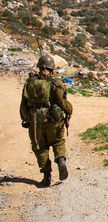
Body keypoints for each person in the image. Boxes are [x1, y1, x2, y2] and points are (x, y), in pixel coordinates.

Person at [20, 54, 73, 187]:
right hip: (52, 120)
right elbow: (62, 102)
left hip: (35, 121)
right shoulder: (54, 83)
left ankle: (46, 176)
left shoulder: (29, 83)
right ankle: (60, 159)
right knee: (57, 141)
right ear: (51, 69)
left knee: (40, 147)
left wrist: (26, 119)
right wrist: (69, 110)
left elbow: (23, 104)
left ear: (39, 67)